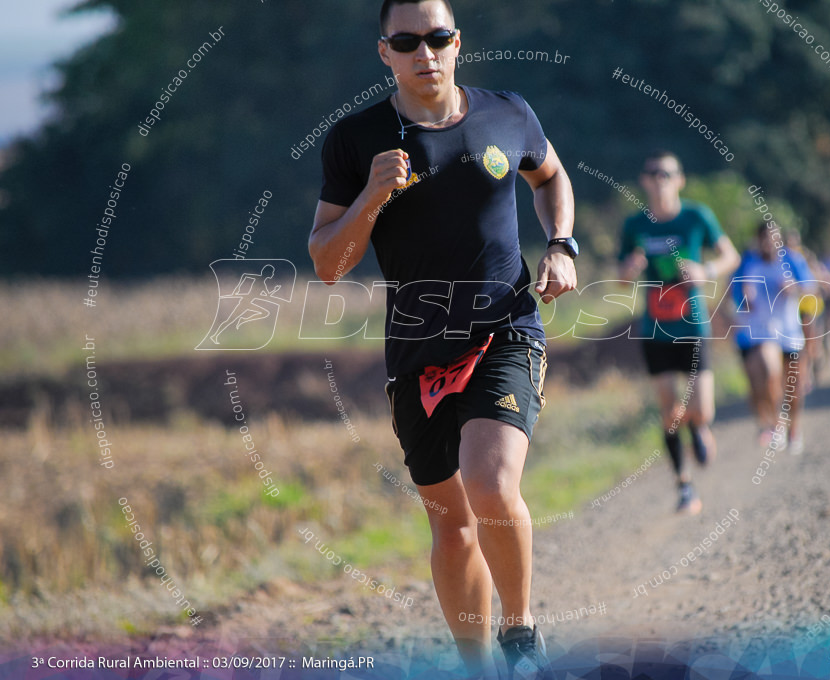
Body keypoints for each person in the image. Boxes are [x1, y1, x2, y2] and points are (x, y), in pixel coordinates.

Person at [308, 1, 577, 676]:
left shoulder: (507, 112)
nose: (424, 51)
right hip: (418, 355)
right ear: (385, 52)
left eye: (437, 37)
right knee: (453, 530)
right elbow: (328, 266)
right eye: (407, 40)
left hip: (505, 328)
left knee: (490, 484)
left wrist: (563, 245)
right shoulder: (355, 139)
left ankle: (520, 632)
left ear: (458, 42)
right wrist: (372, 196)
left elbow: (551, 177)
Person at [618, 150, 739, 514]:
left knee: (700, 409)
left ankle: (700, 428)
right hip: (654, 329)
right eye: (653, 173)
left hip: (693, 326)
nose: (660, 180)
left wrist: (705, 271)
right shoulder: (634, 225)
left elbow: (730, 255)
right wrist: (631, 266)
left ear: (680, 180)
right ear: (643, 180)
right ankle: (684, 486)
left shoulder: (696, 216)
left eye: (667, 173)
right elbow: (622, 280)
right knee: (670, 410)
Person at [730, 224, 815, 455]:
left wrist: (794, 288)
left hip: (791, 332)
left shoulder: (792, 260)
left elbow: (811, 288)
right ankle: (775, 424)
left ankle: (794, 430)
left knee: (794, 388)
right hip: (762, 333)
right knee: (768, 372)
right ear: (758, 241)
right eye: (765, 240)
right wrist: (744, 299)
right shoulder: (748, 262)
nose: (769, 244)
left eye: (773, 239)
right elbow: (734, 296)